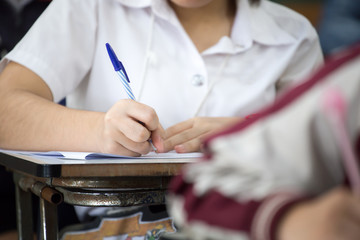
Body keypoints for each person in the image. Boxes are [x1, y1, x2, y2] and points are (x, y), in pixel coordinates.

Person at [0, 0, 323, 237]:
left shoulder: (292, 36)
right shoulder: (92, 6)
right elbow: (5, 112)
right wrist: (100, 131)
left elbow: (327, 159)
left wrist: (250, 132)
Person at [165, 42, 360, 240]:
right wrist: (289, 220)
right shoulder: (350, 78)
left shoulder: (295, 37)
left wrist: (247, 126)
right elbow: (202, 189)